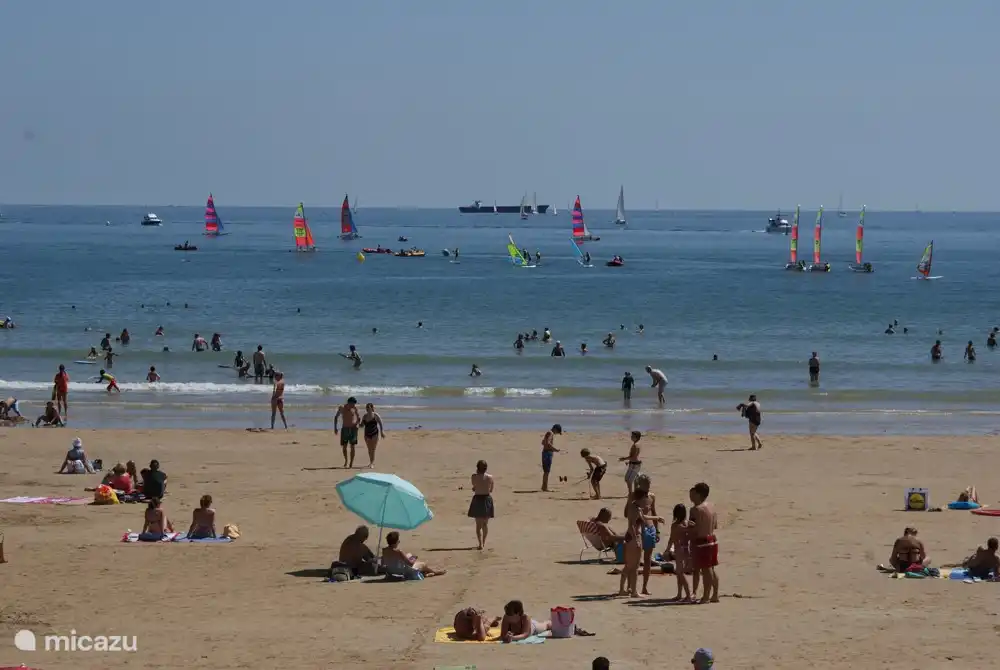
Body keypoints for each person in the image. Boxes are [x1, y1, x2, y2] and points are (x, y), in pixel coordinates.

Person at [631, 475, 662, 595]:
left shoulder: (652, 496)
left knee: (648, 559)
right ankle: (632, 587)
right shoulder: (635, 497)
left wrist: (657, 530)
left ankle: (645, 586)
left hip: (650, 528)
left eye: (649, 484)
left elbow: (653, 511)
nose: (648, 486)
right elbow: (627, 513)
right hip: (639, 529)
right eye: (646, 484)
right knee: (635, 560)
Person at [690, 482, 720, 603]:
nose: (691, 496)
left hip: (702, 541)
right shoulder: (711, 506)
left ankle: (706, 596)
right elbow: (715, 525)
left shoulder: (695, 509)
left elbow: (694, 528)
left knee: (706, 570)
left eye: (693, 493)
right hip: (712, 539)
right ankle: (715, 594)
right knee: (711, 568)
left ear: (699, 494)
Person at [382, 531, 446, 578]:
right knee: (422, 564)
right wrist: (414, 558)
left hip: (391, 571)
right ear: (395, 542)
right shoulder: (398, 551)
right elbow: (410, 564)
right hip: (401, 572)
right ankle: (435, 572)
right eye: (398, 541)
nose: (399, 542)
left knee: (409, 555)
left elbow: (385, 562)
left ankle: (425, 574)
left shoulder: (384, 550)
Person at [666, 504, 692, 601]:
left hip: (679, 549)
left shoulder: (676, 525)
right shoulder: (687, 524)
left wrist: (667, 550)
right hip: (686, 549)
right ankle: (680, 594)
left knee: (680, 573)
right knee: (679, 572)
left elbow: (671, 539)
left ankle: (688, 595)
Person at [468, 460, 495, 550]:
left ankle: (480, 544)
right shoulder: (490, 477)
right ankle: (484, 542)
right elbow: (491, 490)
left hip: (478, 499)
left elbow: (474, 486)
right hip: (486, 499)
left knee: (478, 525)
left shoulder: (474, 477)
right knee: (485, 524)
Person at [335, 397, 362, 468]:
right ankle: (346, 460)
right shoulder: (342, 408)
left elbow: (359, 418)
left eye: (354, 404)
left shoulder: (355, 408)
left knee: (352, 446)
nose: (353, 406)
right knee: (344, 447)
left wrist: (356, 424)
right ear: (349, 402)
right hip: (345, 429)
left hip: (353, 429)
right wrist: (335, 428)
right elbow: (336, 417)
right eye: (353, 404)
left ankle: (351, 463)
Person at [360, 402, 385, 467]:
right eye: (367, 408)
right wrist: (357, 422)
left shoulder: (376, 415)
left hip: (375, 434)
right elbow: (362, 425)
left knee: (373, 449)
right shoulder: (364, 416)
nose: (368, 409)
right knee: (369, 449)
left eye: (369, 408)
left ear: (372, 408)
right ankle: (371, 461)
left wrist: (382, 432)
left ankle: (372, 463)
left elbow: (380, 423)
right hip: (366, 434)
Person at [541, 424, 562, 492]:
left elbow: (543, 442)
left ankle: (544, 486)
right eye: (557, 432)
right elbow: (548, 443)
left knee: (546, 471)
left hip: (545, 452)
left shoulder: (548, 432)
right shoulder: (551, 433)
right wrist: (555, 449)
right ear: (555, 429)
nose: (556, 434)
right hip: (547, 453)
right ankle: (545, 487)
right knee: (547, 471)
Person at [620, 431, 642, 495]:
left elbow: (634, 456)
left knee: (629, 480)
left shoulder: (636, 445)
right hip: (633, 463)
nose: (631, 437)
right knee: (627, 479)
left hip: (635, 464)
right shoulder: (637, 444)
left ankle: (631, 493)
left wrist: (624, 459)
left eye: (632, 436)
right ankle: (631, 492)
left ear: (636, 437)